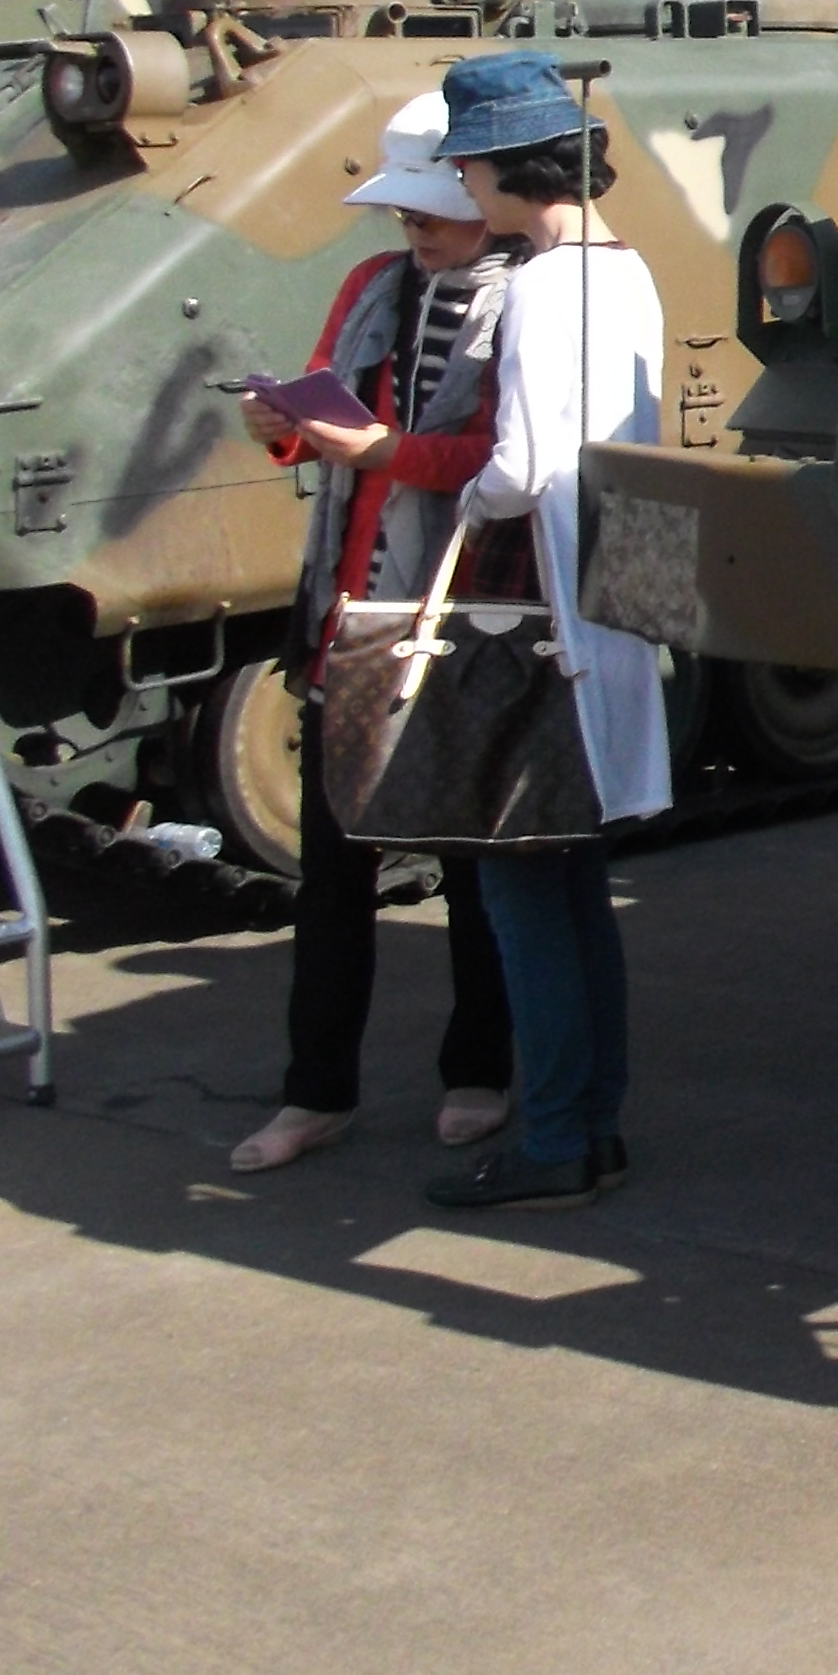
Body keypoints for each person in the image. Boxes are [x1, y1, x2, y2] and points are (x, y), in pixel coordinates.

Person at [227, 97, 518, 1174]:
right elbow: (332, 423)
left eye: (434, 216)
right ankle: (315, 1092)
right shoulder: (370, 289)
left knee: (477, 875)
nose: (417, 234)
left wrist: (376, 450)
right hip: (347, 615)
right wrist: (285, 431)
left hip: (457, 614)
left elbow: (499, 459)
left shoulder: (526, 302)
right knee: (333, 878)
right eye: (409, 218)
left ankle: (479, 1069)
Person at [424, 50, 671, 1214]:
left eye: (468, 168)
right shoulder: (630, 272)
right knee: (573, 886)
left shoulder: (530, 286)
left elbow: (520, 464)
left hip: (538, 606)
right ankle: (590, 1125)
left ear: (508, 168)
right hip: (615, 593)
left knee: (525, 890)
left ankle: (559, 1138)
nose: (462, 191)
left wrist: (458, 508)